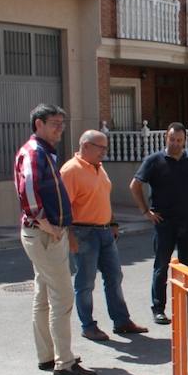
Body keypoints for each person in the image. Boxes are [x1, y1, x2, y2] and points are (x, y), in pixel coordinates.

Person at [15, 103, 96, 375]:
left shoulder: (42, 151)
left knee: (44, 294)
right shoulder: (35, 152)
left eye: (62, 122)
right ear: (38, 124)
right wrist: (45, 222)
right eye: (54, 123)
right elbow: (28, 187)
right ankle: (65, 363)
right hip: (45, 236)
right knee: (62, 297)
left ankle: (47, 356)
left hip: (43, 235)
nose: (60, 127)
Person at [60, 130, 147, 341]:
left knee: (114, 276)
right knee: (86, 282)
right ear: (86, 146)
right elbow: (64, 207)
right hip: (83, 232)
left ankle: (121, 321)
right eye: (101, 148)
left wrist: (113, 222)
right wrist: (70, 236)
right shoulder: (70, 171)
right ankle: (88, 325)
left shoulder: (99, 167)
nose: (105, 152)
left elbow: (103, 198)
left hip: (105, 230)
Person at [129, 122, 188, 325]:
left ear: (185, 141)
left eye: (179, 140)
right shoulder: (154, 161)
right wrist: (145, 211)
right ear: (166, 137)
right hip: (164, 223)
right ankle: (159, 309)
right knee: (161, 267)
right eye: (172, 139)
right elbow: (135, 185)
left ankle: (186, 306)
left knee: (187, 267)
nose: (175, 143)